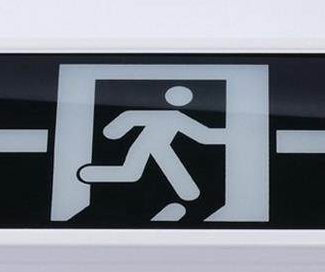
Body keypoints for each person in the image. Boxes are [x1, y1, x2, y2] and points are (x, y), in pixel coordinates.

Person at [78, 85, 225, 201]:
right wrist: (113, 131)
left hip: (157, 148)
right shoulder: (175, 116)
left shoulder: (176, 117)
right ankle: (91, 174)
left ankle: (91, 174)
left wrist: (114, 131)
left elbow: (202, 135)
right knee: (132, 172)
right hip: (147, 146)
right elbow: (203, 135)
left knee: (132, 172)